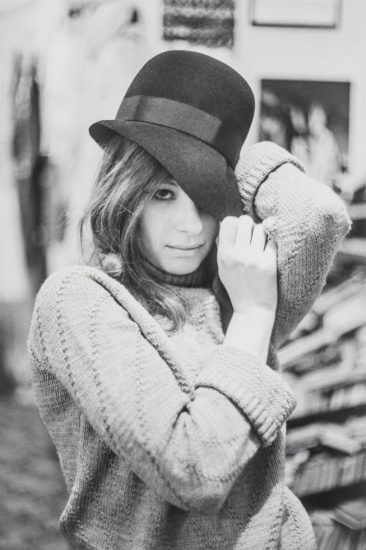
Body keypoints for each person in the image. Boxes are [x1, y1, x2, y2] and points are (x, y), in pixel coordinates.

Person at [28, 51, 351, 550]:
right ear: (124, 190)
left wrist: (230, 157)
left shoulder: (228, 283)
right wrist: (255, 314)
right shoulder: (79, 301)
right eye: (162, 193)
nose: (191, 225)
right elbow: (193, 467)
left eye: (205, 197)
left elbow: (319, 216)